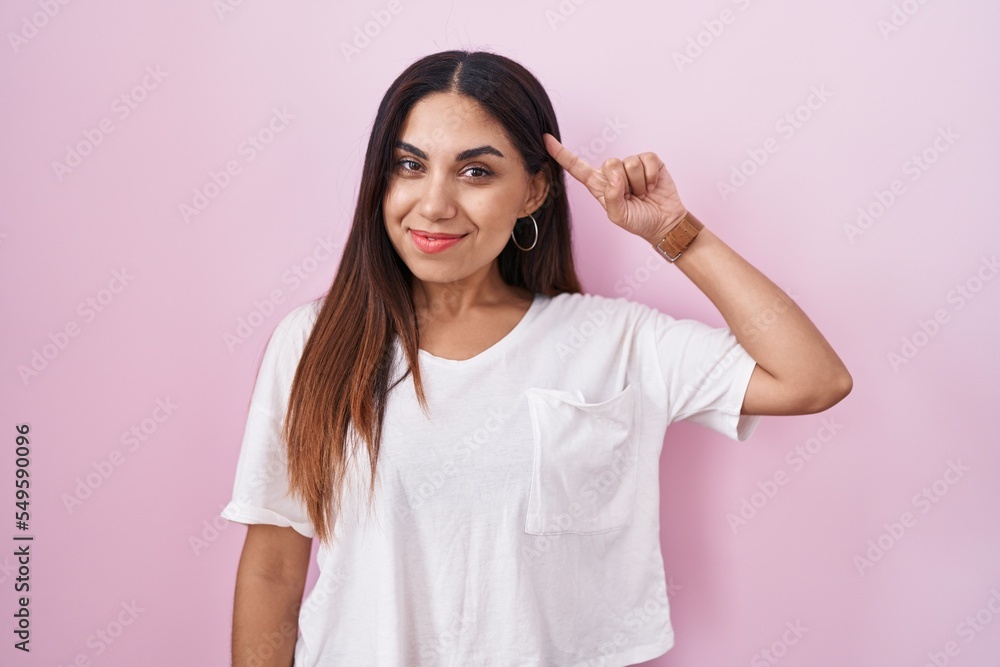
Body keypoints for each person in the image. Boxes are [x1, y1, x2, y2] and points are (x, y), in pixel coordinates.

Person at [221, 49, 851, 667]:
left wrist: (675, 233)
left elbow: (813, 379)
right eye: (409, 165)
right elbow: (274, 568)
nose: (434, 203)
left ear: (533, 191)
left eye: (476, 172)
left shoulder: (614, 341)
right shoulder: (314, 341)